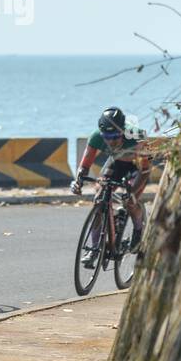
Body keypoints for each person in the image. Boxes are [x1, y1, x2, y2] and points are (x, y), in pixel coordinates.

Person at [71, 107, 153, 264]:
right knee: (99, 199)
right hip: (117, 163)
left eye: (115, 136)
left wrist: (132, 192)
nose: (111, 141)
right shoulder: (96, 137)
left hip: (138, 168)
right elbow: (84, 165)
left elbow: (146, 169)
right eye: (107, 137)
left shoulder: (137, 136)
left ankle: (138, 230)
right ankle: (94, 249)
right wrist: (78, 181)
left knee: (130, 200)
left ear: (123, 131)